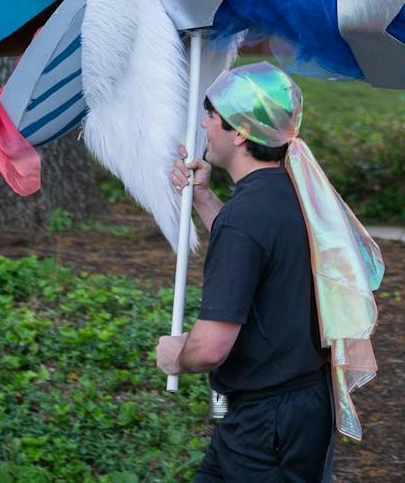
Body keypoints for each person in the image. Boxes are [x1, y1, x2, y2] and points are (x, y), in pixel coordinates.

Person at [156, 62, 383, 482]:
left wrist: (177, 356)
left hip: (269, 424)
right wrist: (203, 197)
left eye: (211, 115)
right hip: (296, 408)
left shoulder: (246, 217)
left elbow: (210, 348)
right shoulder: (296, 193)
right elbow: (262, 253)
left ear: (240, 133)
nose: (203, 124)